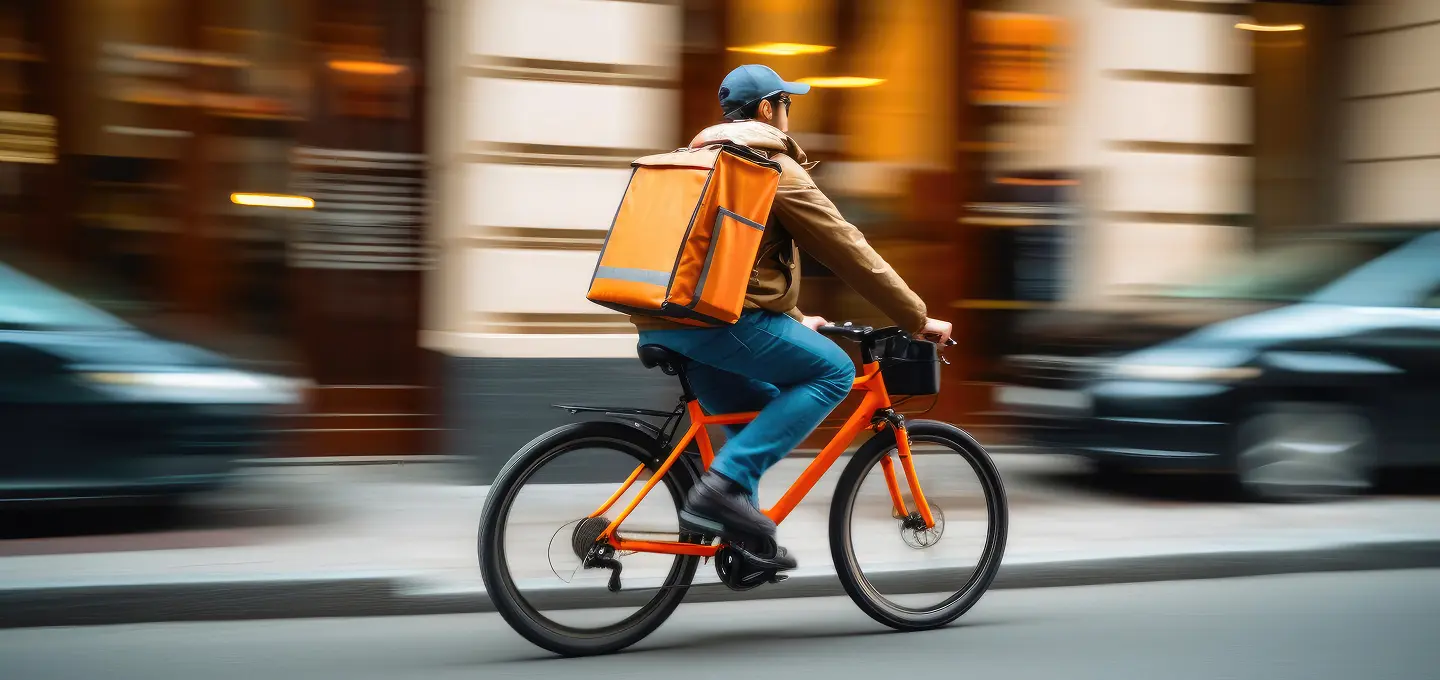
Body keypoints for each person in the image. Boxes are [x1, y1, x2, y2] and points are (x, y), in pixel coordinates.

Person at [632, 64, 953, 570]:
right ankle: (718, 492)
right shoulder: (770, 167)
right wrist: (915, 316)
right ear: (767, 109)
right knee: (834, 372)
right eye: (787, 105)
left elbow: (735, 264)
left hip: (664, 318)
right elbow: (847, 246)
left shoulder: (700, 160)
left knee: (755, 414)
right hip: (719, 326)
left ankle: (744, 546)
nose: (788, 117)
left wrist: (797, 317)